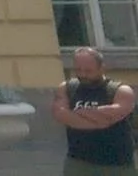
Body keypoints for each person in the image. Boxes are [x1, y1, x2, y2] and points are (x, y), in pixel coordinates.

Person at [56, 46, 136, 174]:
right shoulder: (67, 88)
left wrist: (78, 113)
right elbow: (60, 114)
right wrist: (99, 119)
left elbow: (114, 116)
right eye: (78, 70)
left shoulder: (120, 91)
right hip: (78, 162)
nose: (83, 74)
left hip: (117, 165)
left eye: (88, 71)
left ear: (102, 68)